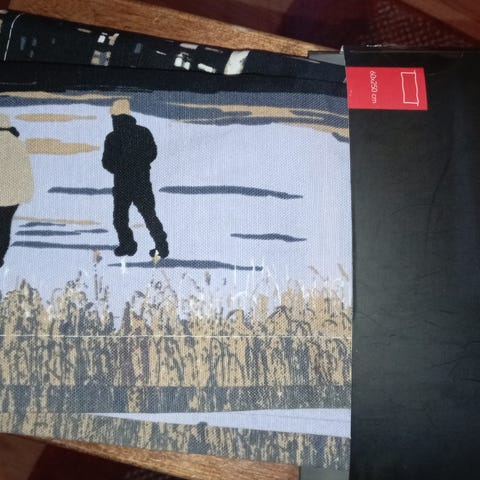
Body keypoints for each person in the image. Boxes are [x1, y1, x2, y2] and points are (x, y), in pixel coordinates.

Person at [102, 99, 169, 258]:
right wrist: (139, 164)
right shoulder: (143, 132)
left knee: (120, 219)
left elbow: (107, 162)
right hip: (141, 182)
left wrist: (122, 168)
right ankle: (161, 247)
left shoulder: (112, 137)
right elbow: (152, 153)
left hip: (123, 184)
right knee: (149, 216)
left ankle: (128, 245)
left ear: (115, 116)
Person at [0, 114, 33, 268]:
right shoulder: (18, 144)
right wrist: (26, 193)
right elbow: (25, 172)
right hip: (12, 197)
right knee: (5, 227)